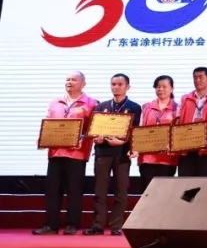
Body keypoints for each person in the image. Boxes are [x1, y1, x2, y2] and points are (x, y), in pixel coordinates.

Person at [34, 73, 98, 235]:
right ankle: (51, 225)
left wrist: (82, 138)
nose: (70, 82)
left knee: (74, 190)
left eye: (74, 80)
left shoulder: (91, 103)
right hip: (55, 152)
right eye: (67, 79)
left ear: (83, 84)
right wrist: (43, 138)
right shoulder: (55, 102)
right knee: (53, 190)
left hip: (77, 154)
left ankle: (72, 224)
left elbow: (94, 129)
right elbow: (49, 123)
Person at [86, 73, 141, 235]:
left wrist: (123, 142)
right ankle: (98, 225)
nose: (116, 87)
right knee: (100, 191)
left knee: (121, 191)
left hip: (122, 154)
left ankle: (116, 226)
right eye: (113, 84)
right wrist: (97, 138)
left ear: (127, 87)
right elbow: (94, 131)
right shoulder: (101, 107)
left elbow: (135, 132)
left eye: (119, 84)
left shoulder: (135, 107)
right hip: (103, 153)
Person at [136, 75, 179, 187]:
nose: (160, 89)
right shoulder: (146, 107)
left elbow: (179, 132)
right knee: (148, 192)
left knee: (164, 192)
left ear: (172, 89)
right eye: (158, 87)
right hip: (147, 158)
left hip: (167, 158)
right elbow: (139, 130)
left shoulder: (177, 108)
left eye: (164, 86)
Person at [176, 67, 207, 177]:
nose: (197, 80)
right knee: (184, 181)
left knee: (203, 182)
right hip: (186, 146)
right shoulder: (185, 99)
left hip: (206, 148)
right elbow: (177, 121)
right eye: (195, 77)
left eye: (200, 77)